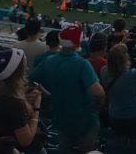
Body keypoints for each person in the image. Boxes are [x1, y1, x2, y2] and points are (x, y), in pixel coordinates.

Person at [29, 24, 105, 153]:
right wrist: (98, 106)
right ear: (78, 42)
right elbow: (99, 92)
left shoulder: (49, 60)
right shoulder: (82, 63)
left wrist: (48, 95)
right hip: (85, 120)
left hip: (61, 118)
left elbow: (30, 80)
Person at [0, 49, 44, 154]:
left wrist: (24, 99)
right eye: (24, 67)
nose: (27, 69)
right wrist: (36, 108)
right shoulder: (13, 103)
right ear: (16, 73)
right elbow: (25, 140)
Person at [101, 42, 136, 154]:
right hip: (134, 115)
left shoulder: (103, 71)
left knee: (120, 144)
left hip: (115, 114)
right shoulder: (132, 74)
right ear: (124, 59)